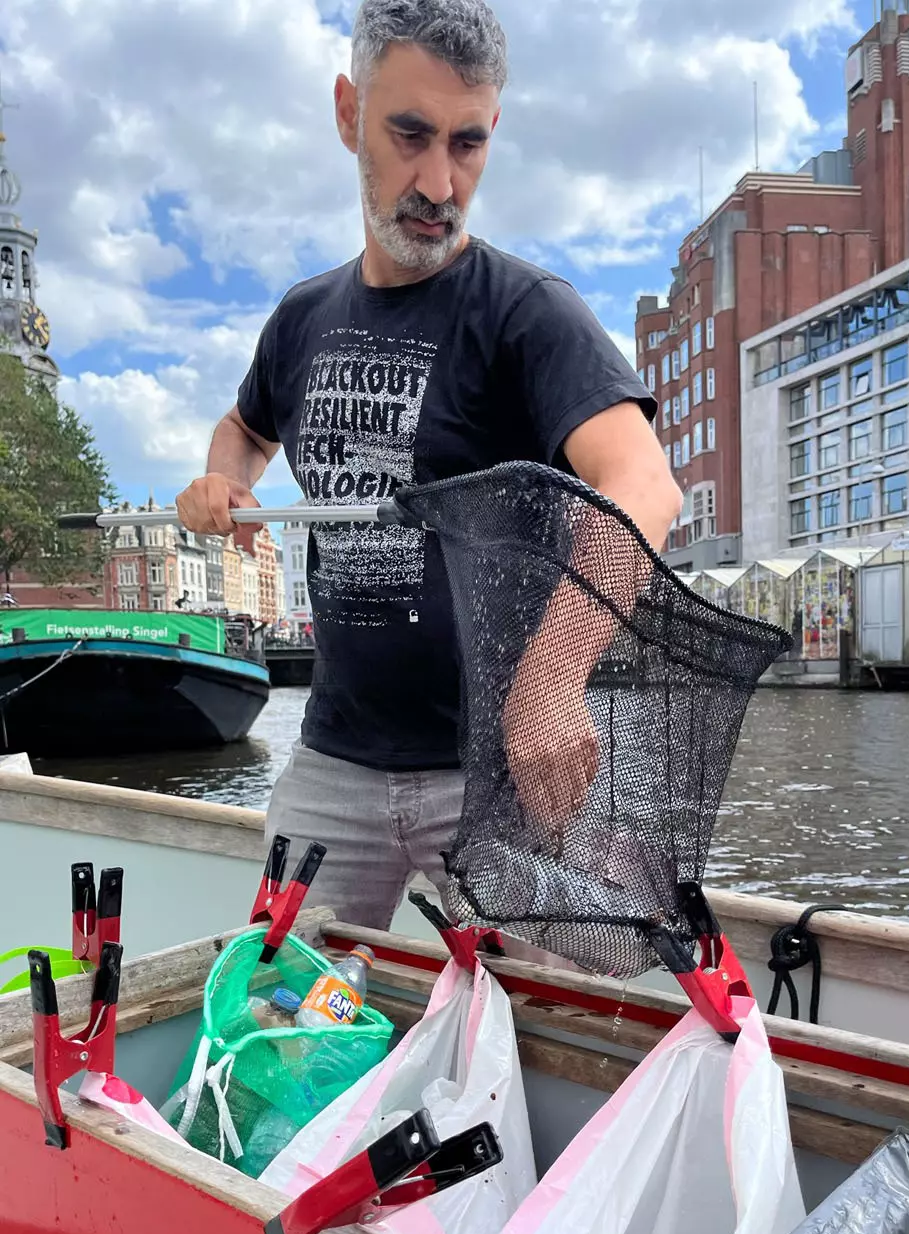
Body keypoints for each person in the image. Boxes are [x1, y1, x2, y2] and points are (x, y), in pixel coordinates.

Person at [173, 0, 674, 930]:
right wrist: (221, 481)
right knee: (275, 1011)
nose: (440, 182)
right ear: (346, 111)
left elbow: (645, 487)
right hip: (333, 765)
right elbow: (246, 428)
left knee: (513, 1045)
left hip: (495, 774)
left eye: (468, 143)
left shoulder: (529, 312)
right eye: (409, 134)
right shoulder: (300, 319)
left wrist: (558, 679)